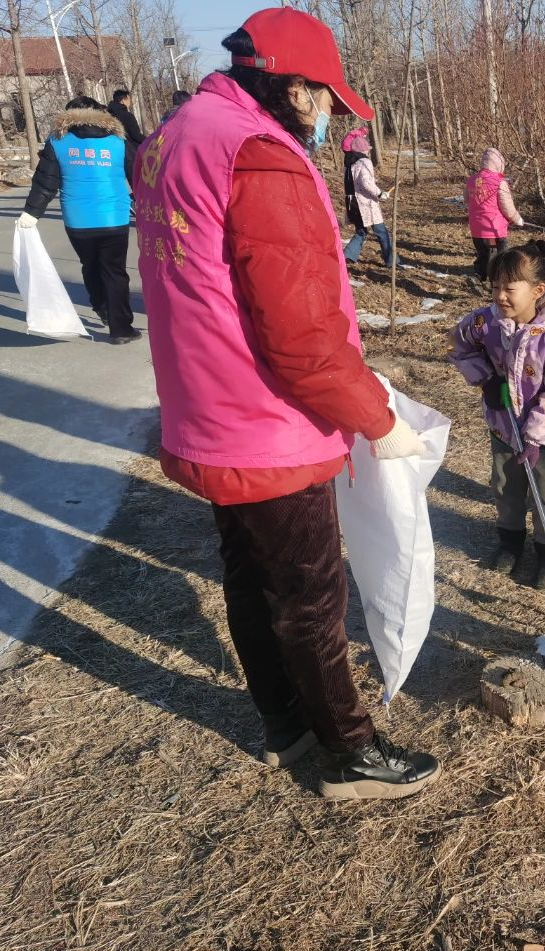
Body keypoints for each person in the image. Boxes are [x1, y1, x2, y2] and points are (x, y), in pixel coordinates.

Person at [133, 7, 440, 801]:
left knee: (250, 573)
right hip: (266, 419)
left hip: (206, 407)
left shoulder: (176, 135)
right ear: (295, 89)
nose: (329, 113)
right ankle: (348, 752)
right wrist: (378, 419)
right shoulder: (260, 157)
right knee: (309, 596)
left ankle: (285, 723)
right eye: (326, 96)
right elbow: (300, 333)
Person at [448, 241, 545, 588]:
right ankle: (510, 543)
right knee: (506, 487)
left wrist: (535, 437)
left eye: (509, 289)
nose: (500, 296)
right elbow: (458, 344)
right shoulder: (486, 322)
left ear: (537, 290)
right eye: (495, 288)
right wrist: (486, 378)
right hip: (503, 425)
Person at [19, 95, 139, 344]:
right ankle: (121, 329)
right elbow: (137, 175)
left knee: (90, 264)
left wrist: (32, 212)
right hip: (114, 217)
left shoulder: (58, 141)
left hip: (78, 220)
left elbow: (45, 182)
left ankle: (102, 307)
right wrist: (144, 202)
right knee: (115, 271)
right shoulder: (118, 140)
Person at [465, 147, 525, 282]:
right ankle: (497, 281)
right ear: (499, 164)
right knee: (499, 257)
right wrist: (517, 219)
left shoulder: (471, 180)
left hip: (476, 229)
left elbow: (467, 200)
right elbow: (507, 207)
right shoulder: (499, 182)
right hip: (494, 229)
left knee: (483, 254)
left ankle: (479, 276)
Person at [341, 127, 398, 267]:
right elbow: (366, 182)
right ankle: (392, 261)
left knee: (361, 231)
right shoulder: (364, 162)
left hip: (352, 204)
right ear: (363, 150)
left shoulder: (350, 164)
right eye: (367, 149)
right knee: (381, 232)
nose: (368, 151)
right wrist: (380, 193)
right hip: (365, 205)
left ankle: (346, 256)